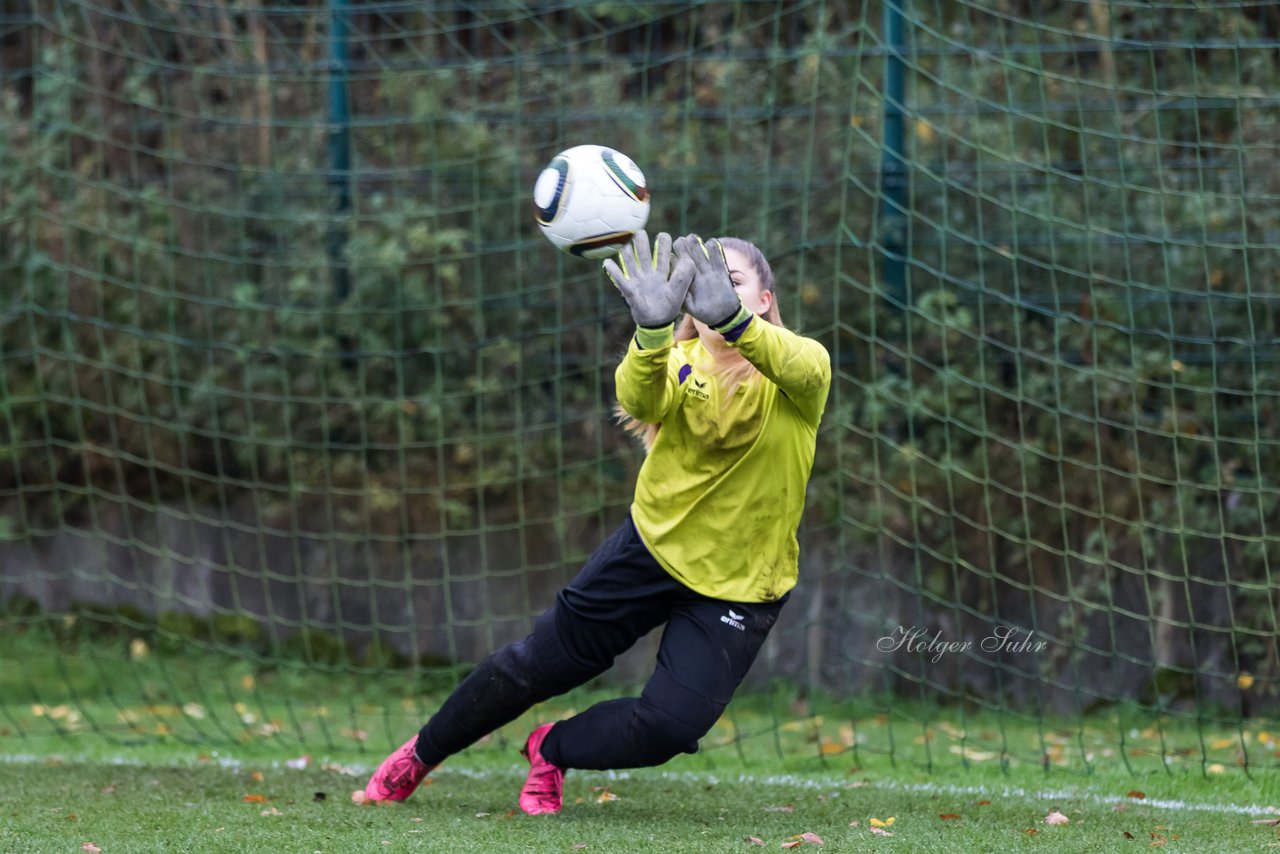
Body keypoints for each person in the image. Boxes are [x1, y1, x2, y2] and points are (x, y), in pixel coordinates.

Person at [362, 230, 831, 814]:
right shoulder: (679, 362)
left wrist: (736, 324)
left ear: (763, 300)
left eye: (731, 285)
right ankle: (422, 753)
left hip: (743, 583)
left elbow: (806, 366)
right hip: (648, 552)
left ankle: (550, 747)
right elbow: (638, 400)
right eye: (699, 288)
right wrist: (652, 331)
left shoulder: (799, 373)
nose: (714, 298)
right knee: (537, 665)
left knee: (670, 728)